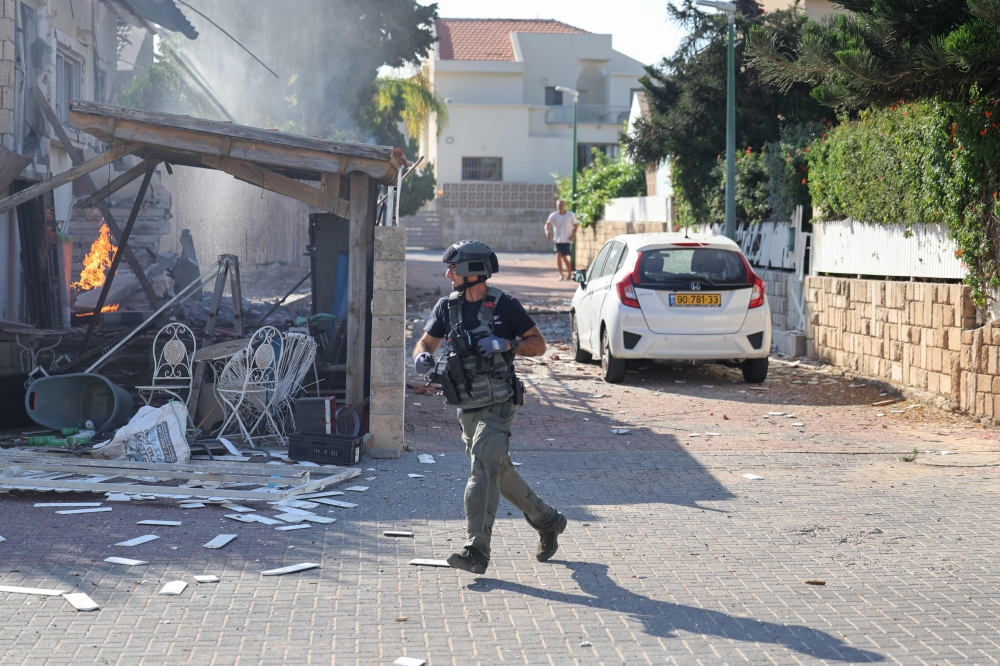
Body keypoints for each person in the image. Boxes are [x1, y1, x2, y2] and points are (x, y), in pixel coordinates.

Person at [412, 240, 567, 574]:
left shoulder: (505, 305)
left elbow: (539, 345)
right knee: (498, 472)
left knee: (482, 467)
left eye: (453, 268)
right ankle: (548, 520)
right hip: (466, 406)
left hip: (499, 403)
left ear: (471, 271)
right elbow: (426, 342)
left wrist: (508, 343)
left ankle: (476, 552)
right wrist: (420, 357)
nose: (447, 273)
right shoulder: (446, 307)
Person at [544, 200, 578, 280]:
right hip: (557, 239)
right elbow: (547, 224)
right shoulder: (554, 215)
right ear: (556, 206)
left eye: (562, 204)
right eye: (559, 205)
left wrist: (573, 235)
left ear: (565, 205)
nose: (560, 206)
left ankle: (570, 273)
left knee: (564, 257)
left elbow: (576, 226)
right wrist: (547, 232)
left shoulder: (570, 215)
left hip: (566, 239)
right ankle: (561, 274)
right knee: (558, 255)